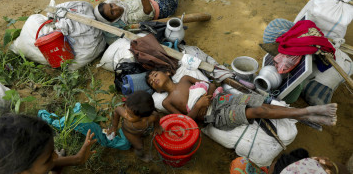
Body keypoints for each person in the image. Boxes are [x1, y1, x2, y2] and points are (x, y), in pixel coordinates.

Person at [145, 69, 338, 127]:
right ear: (156, 89)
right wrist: (199, 106)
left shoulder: (186, 79)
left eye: (155, 74)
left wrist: (207, 96)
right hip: (214, 116)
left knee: (263, 105)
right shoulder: (166, 102)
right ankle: (306, 113)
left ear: (168, 73)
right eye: (151, 82)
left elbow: (213, 83)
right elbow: (187, 122)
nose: (154, 79)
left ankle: (305, 116)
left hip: (221, 98)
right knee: (259, 111)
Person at [0, 114, 97, 174]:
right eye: (47, 159)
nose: (56, 156)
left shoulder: (19, 167)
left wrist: (77, 159)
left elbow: (51, 163)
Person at [107, 90, 162, 162]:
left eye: (130, 115)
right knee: (139, 146)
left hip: (142, 130)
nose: (125, 114)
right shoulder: (127, 114)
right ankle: (141, 155)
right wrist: (114, 127)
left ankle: (142, 136)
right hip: (130, 132)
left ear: (144, 117)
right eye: (126, 110)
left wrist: (157, 127)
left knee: (143, 135)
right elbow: (117, 110)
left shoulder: (152, 117)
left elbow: (157, 116)